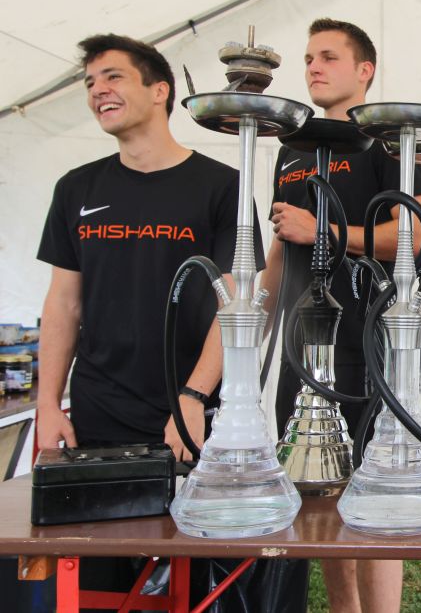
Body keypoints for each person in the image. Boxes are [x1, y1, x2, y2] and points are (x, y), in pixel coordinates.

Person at [35, 34, 265, 608]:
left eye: (112, 77)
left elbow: (237, 306)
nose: (98, 91)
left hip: (189, 416)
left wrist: (193, 397)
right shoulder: (76, 188)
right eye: (90, 82)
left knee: (194, 581)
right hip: (98, 416)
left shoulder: (223, 186)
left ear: (159, 91)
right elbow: (63, 304)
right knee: (102, 584)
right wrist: (47, 404)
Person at [260, 19, 421, 613]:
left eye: (328, 56)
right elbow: (281, 248)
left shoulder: (388, 141)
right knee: (318, 493)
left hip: (368, 345)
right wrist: (250, 321)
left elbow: (413, 236)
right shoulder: (290, 150)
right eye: (308, 58)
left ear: (365, 70)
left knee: (375, 498)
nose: (313, 68)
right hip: (303, 350)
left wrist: (325, 231)